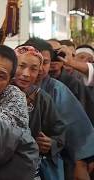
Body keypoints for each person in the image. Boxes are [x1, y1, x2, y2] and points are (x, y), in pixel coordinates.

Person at [25, 37, 94, 180]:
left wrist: (80, 163)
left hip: (49, 163)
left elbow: (77, 130)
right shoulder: (8, 87)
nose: (40, 67)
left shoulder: (57, 90)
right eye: (35, 61)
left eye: (45, 62)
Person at [14, 45, 66, 180]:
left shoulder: (42, 98)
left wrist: (51, 143)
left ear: (39, 73)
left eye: (33, 69)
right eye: (21, 66)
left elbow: (58, 131)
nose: (26, 74)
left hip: (31, 169)